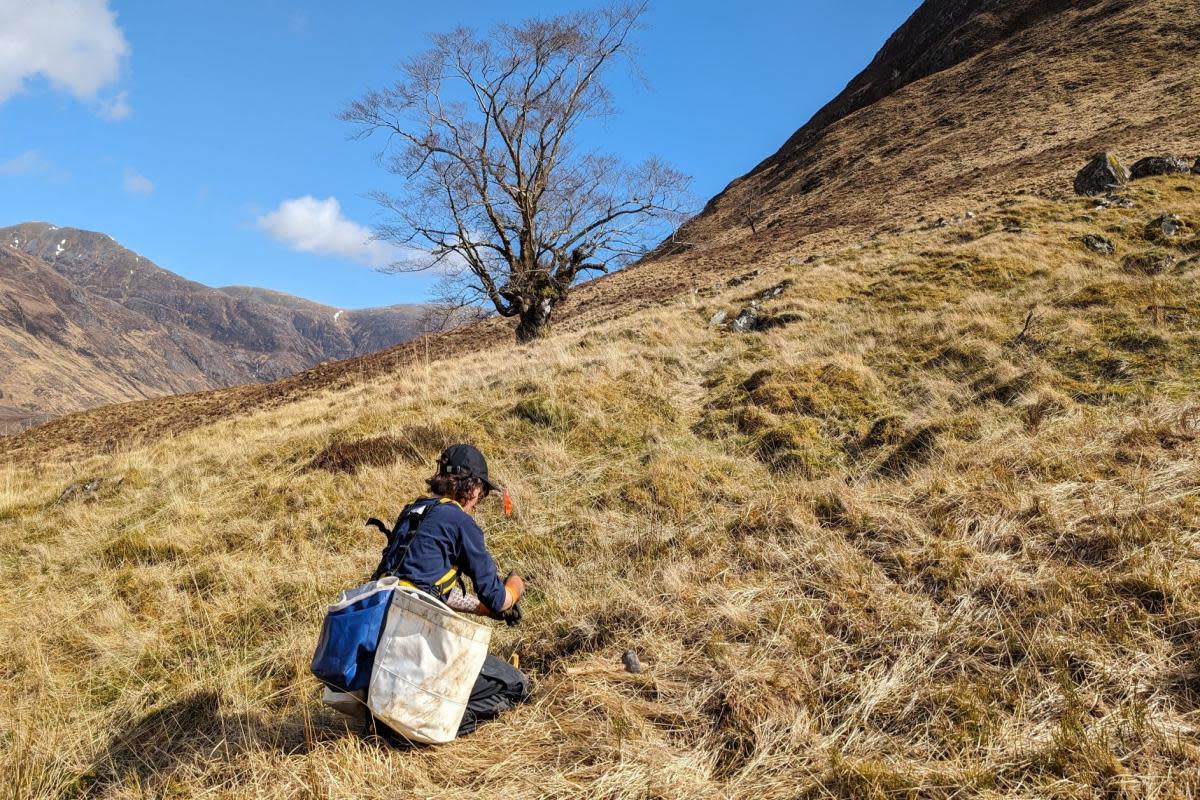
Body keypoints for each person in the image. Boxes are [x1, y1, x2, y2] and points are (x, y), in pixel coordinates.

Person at [367, 443, 530, 741]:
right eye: (481, 494)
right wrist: (516, 585)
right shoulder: (460, 521)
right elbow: (498, 597)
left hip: (386, 646)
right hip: (420, 645)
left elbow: (425, 589)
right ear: (473, 487)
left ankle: (394, 716)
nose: (478, 502)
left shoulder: (413, 512)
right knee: (514, 684)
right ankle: (420, 727)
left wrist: (481, 610)